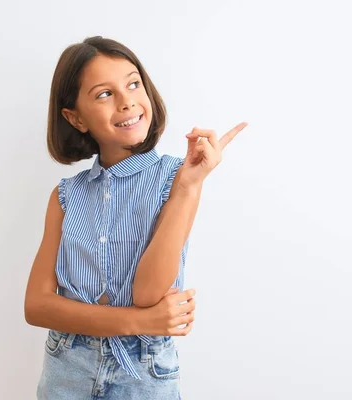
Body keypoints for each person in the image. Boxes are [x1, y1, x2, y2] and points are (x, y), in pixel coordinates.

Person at [24, 35, 247, 399]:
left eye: (132, 84)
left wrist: (189, 187)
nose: (127, 101)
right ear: (75, 117)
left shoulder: (177, 178)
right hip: (67, 367)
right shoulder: (65, 196)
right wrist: (140, 321)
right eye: (104, 94)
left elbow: (147, 292)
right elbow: (36, 305)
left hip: (144, 372)